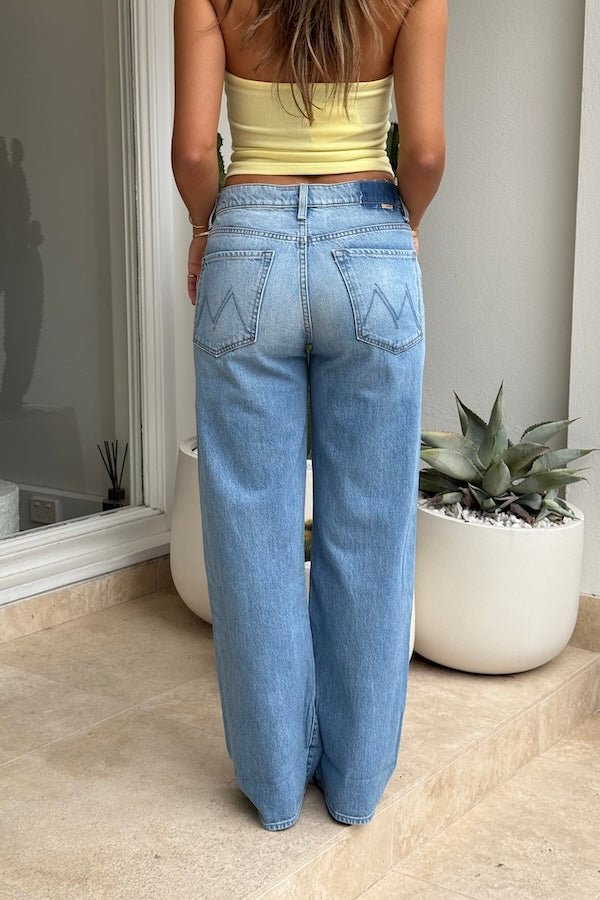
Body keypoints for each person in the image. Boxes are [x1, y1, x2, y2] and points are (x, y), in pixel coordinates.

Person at [171, 0, 447, 832]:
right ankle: (356, 785)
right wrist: (406, 226)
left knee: (249, 530)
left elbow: (194, 151)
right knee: (371, 525)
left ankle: (274, 787)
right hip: (371, 243)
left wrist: (202, 225)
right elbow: (424, 152)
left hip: (246, 242)